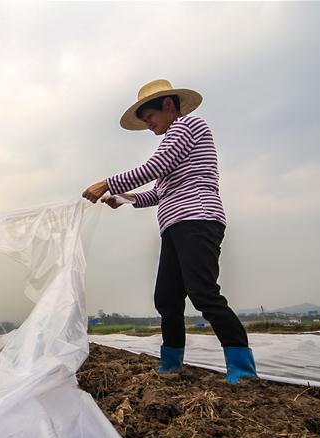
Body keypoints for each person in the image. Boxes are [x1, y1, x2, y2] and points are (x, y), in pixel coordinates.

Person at [82, 79, 257, 384]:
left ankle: (242, 367)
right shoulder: (173, 144)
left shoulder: (187, 126)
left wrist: (107, 183)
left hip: (198, 218)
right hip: (175, 227)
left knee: (203, 293)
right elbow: (158, 192)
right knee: (167, 297)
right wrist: (123, 199)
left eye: (149, 117)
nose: (148, 124)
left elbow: (154, 166)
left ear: (167, 105)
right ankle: (171, 363)